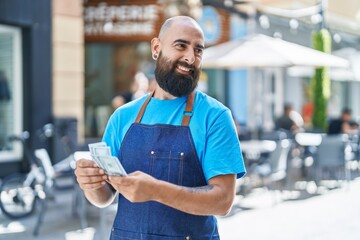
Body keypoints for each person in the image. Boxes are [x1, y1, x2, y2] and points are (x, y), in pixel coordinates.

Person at [75, 16, 246, 239]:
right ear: (156, 48)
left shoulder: (215, 117)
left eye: (198, 50)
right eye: (181, 45)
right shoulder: (122, 117)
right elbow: (104, 197)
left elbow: (223, 201)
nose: (190, 57)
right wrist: (90, 184)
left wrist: (156, 191)